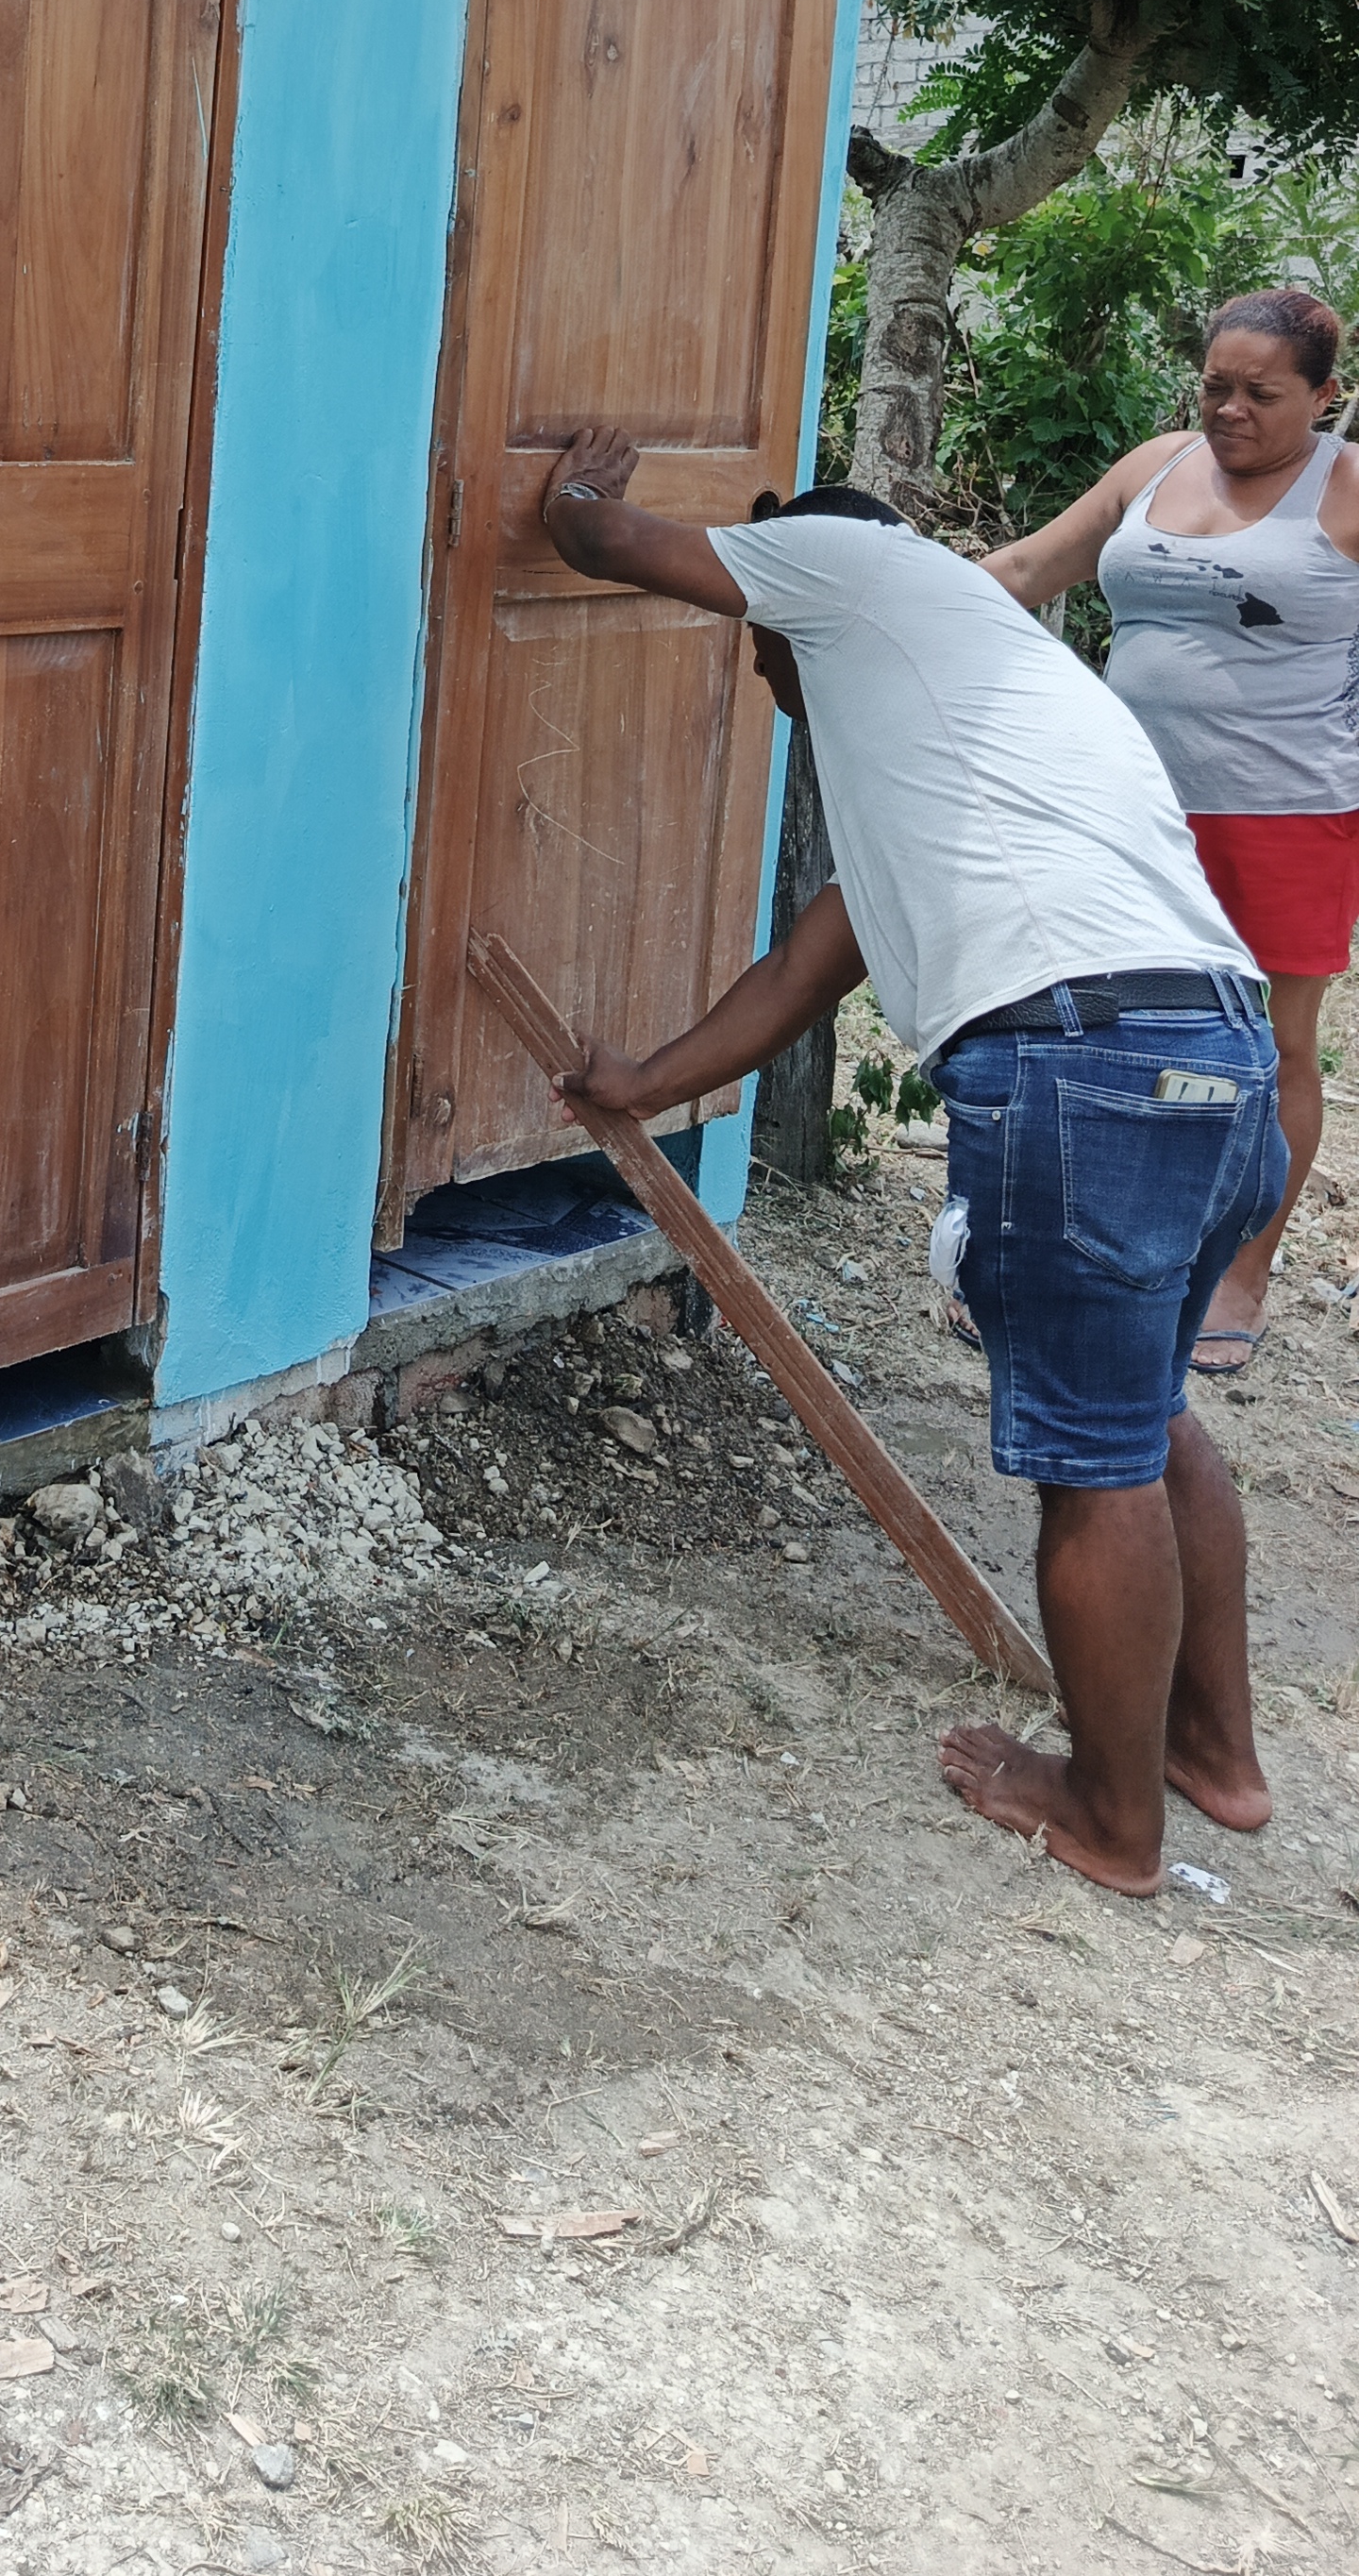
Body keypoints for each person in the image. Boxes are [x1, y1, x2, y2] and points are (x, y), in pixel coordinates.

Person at [532, 426, 1285, 1898]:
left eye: (763, 628)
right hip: (1219, 1061)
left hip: (1083, 1068)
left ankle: (1111, 1817)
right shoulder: (971, 734)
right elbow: (803, 973)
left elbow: (608, 543)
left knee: (1094, 1465)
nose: (760, 659)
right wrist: (640, 1084)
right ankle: (1214, 1755)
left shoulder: (851, 559)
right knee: (1147, 1418)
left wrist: (569, 495)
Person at [984, 286, 1359, 1374]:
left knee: (1271, 1045)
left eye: (1260, 393)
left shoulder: (1345, 491)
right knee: (1088, 1021)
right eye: (1214, 385)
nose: (1229, 408)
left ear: (1325, 396)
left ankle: (1241, 1271)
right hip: (1125, 805)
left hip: (1287, 816)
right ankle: (1070, 1248)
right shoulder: (1155, 465)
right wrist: (894, 600)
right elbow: (1025, 570)